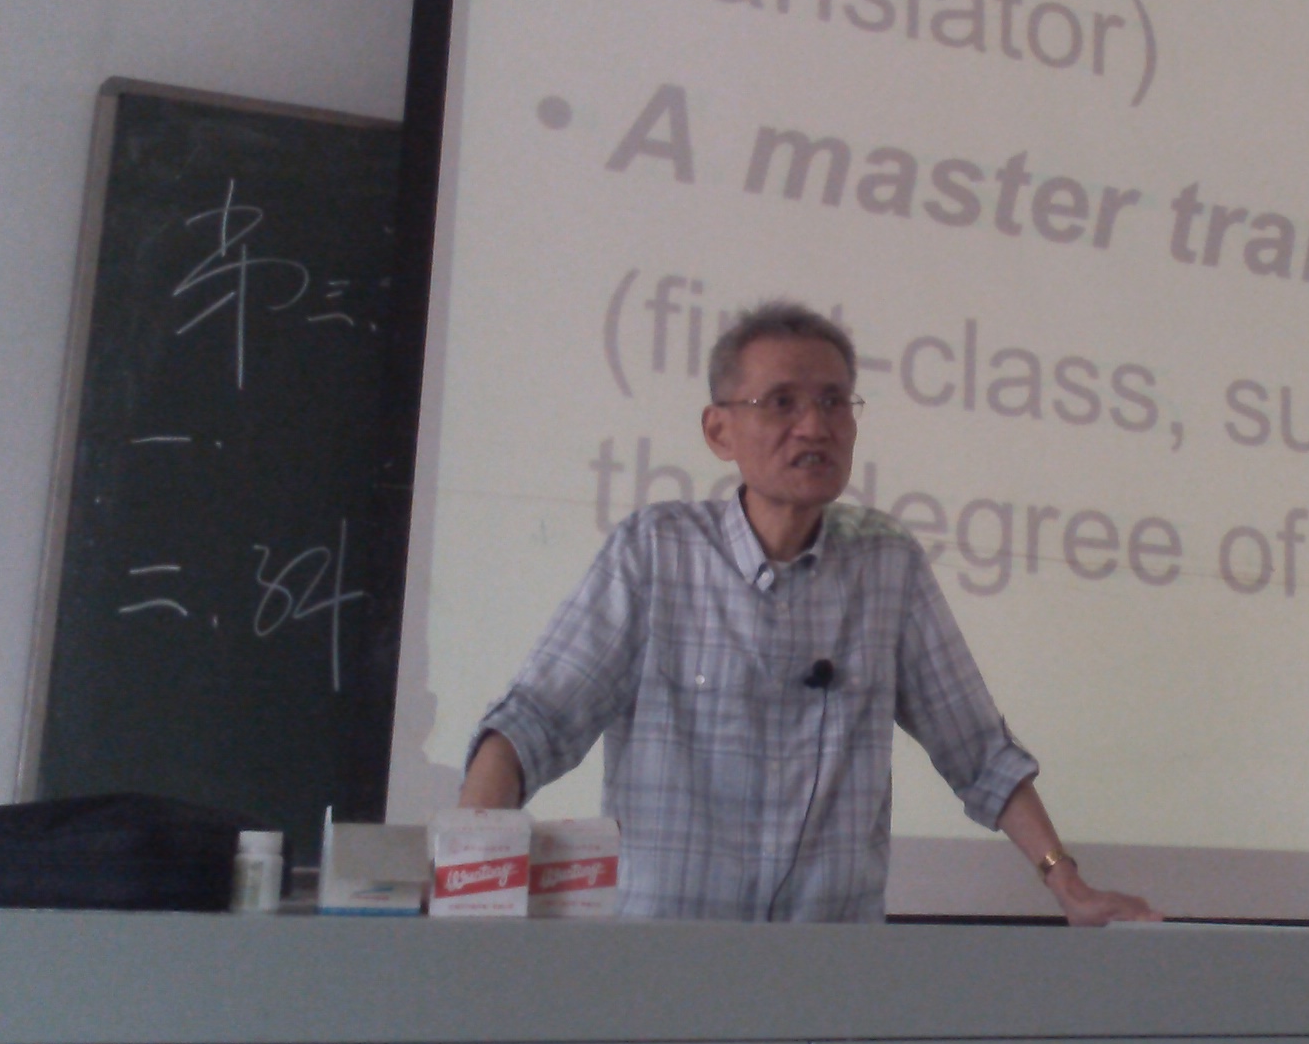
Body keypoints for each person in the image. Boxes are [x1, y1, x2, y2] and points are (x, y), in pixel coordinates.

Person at [460, 299, 1159, 925]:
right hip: (665, 964)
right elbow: (533, 724)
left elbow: (978, 752)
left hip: (831, 970)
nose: (814, 426)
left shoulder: (886, 565)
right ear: (719, 430)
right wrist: (467, 873)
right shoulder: (656, 552)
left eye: (833, 402)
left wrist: (1066, 882)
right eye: (781, 403)